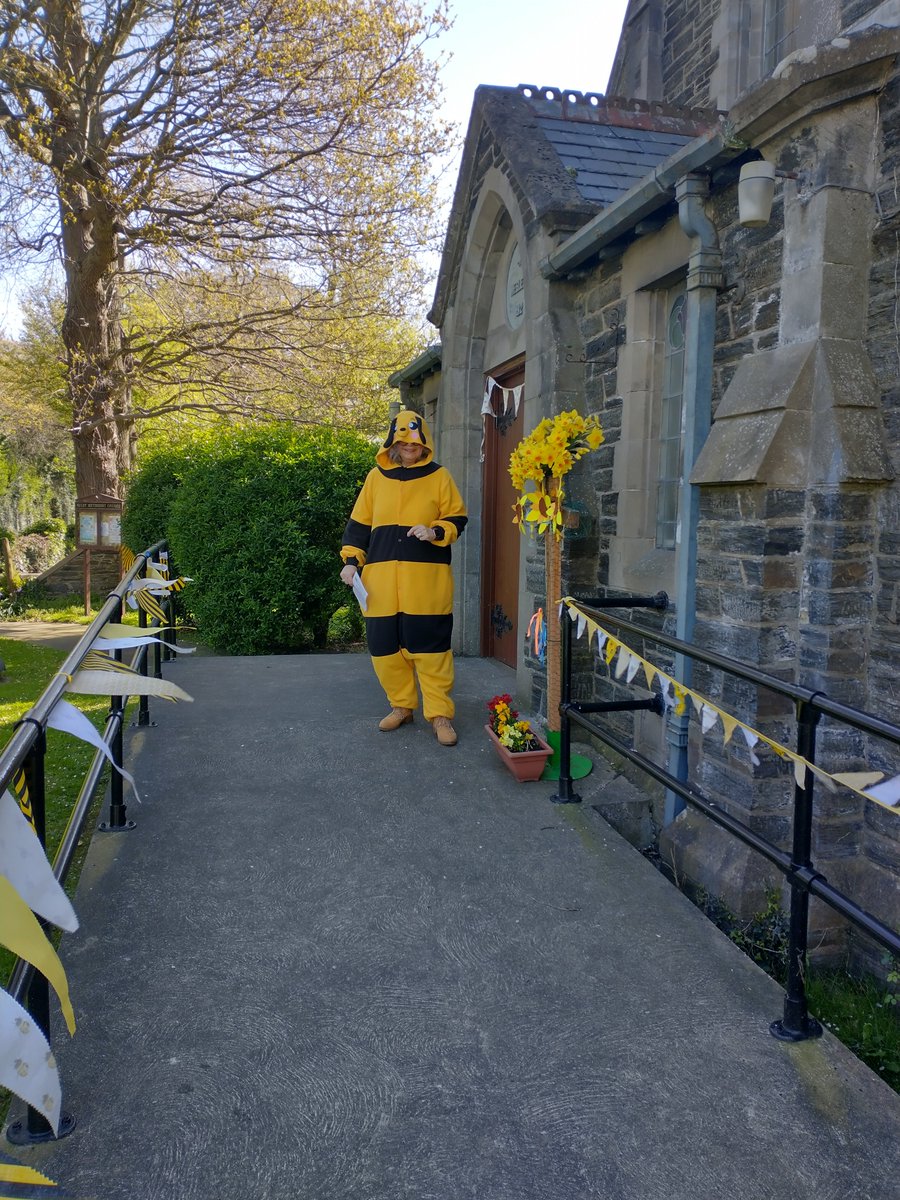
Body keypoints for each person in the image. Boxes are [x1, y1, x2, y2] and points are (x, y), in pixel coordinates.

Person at [340, 409, 467, 746]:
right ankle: (401, 705)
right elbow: (358, 527)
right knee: (385, 650)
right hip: (380, 585)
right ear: (392, 441)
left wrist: (434, 530)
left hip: (426, 583)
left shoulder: (440, 477)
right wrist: (351, 562)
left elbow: (457, 518)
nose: (408, 445)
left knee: (431, 650)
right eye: (402, 439)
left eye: (414, 440)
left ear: (423, 442)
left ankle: (440, 714)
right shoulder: (375, 478)